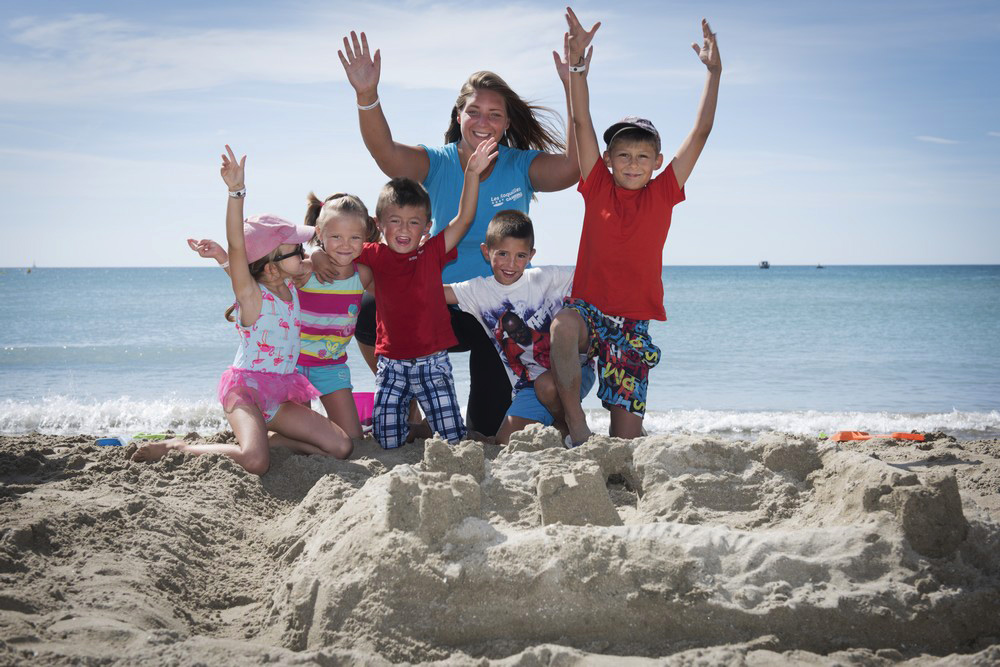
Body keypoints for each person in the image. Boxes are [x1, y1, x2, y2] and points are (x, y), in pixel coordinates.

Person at [331, 30, 592, 438]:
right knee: (368, 311)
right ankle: (411, 402)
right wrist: (368, 94)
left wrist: (573, 80)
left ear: (506, 124)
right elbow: (384, 152)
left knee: (484, 428)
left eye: (494, 114)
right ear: (458, 116)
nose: (483, 122)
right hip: (434, 303)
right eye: (474, 112)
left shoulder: (520, 165)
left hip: (493, 311)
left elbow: (576, 166)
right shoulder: (435, 162)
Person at [550, 8, 722, 445]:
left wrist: (713, 73)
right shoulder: (596, 187)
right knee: (562, 326)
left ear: (657, 163)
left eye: (642, 156)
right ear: (607, 160)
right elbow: (581, 122)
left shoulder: (663, 193)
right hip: (588, 311)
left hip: (632, 325)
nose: (632, 163)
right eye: (623, 155)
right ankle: (576, 428)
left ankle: (619, 439)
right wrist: (577, 68)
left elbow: (700, 133)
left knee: (627, 438)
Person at [132, 145, 353, 473]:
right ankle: (180, 447)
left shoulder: (293, 282)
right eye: (296, 249)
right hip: (246, 391)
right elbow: (240, 247)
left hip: (281, 394)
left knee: (341, 446)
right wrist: (237, 192)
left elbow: (315, 259)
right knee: (255, 460)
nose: (305, 253)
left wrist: (318, 254)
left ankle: (269, 440)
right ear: (271, 266)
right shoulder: (253, 297)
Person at [186, 193, 378, 439]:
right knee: (301, 435)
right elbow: (257, 286)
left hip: (331, 366)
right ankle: (266, 436)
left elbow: (390, 300)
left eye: (354, 238)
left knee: (353, 439)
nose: (345, 244)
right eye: (336, 237)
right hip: (292, 369)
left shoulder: (362, 276)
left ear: (365, 238)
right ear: (320, 234)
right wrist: (224, 259)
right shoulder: (303, 271)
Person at [360, 138, 498, 449]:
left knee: (452, 440)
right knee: (387, 441)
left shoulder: (431, 253)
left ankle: (430, 428)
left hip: (433, 363)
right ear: (379, 224)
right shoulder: (374, 254)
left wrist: (472, 175)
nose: (404, 229)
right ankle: (412, 427)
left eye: (413, 222)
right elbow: (340, 251)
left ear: (427, 227)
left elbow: (463, 219)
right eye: (394, 222)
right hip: (392, 365)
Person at [444, 210, 594, 445]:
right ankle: (560, 425)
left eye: (520, 255)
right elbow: (435, 292)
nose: (511, 264)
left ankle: (572, 421)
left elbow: (593, 277)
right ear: (486, 251)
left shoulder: (546, 278)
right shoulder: (479, 291)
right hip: (530, 387)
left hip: (573, 372)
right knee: (506, 443)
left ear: (531, 255)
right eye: (502, 253)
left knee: (547, 384)